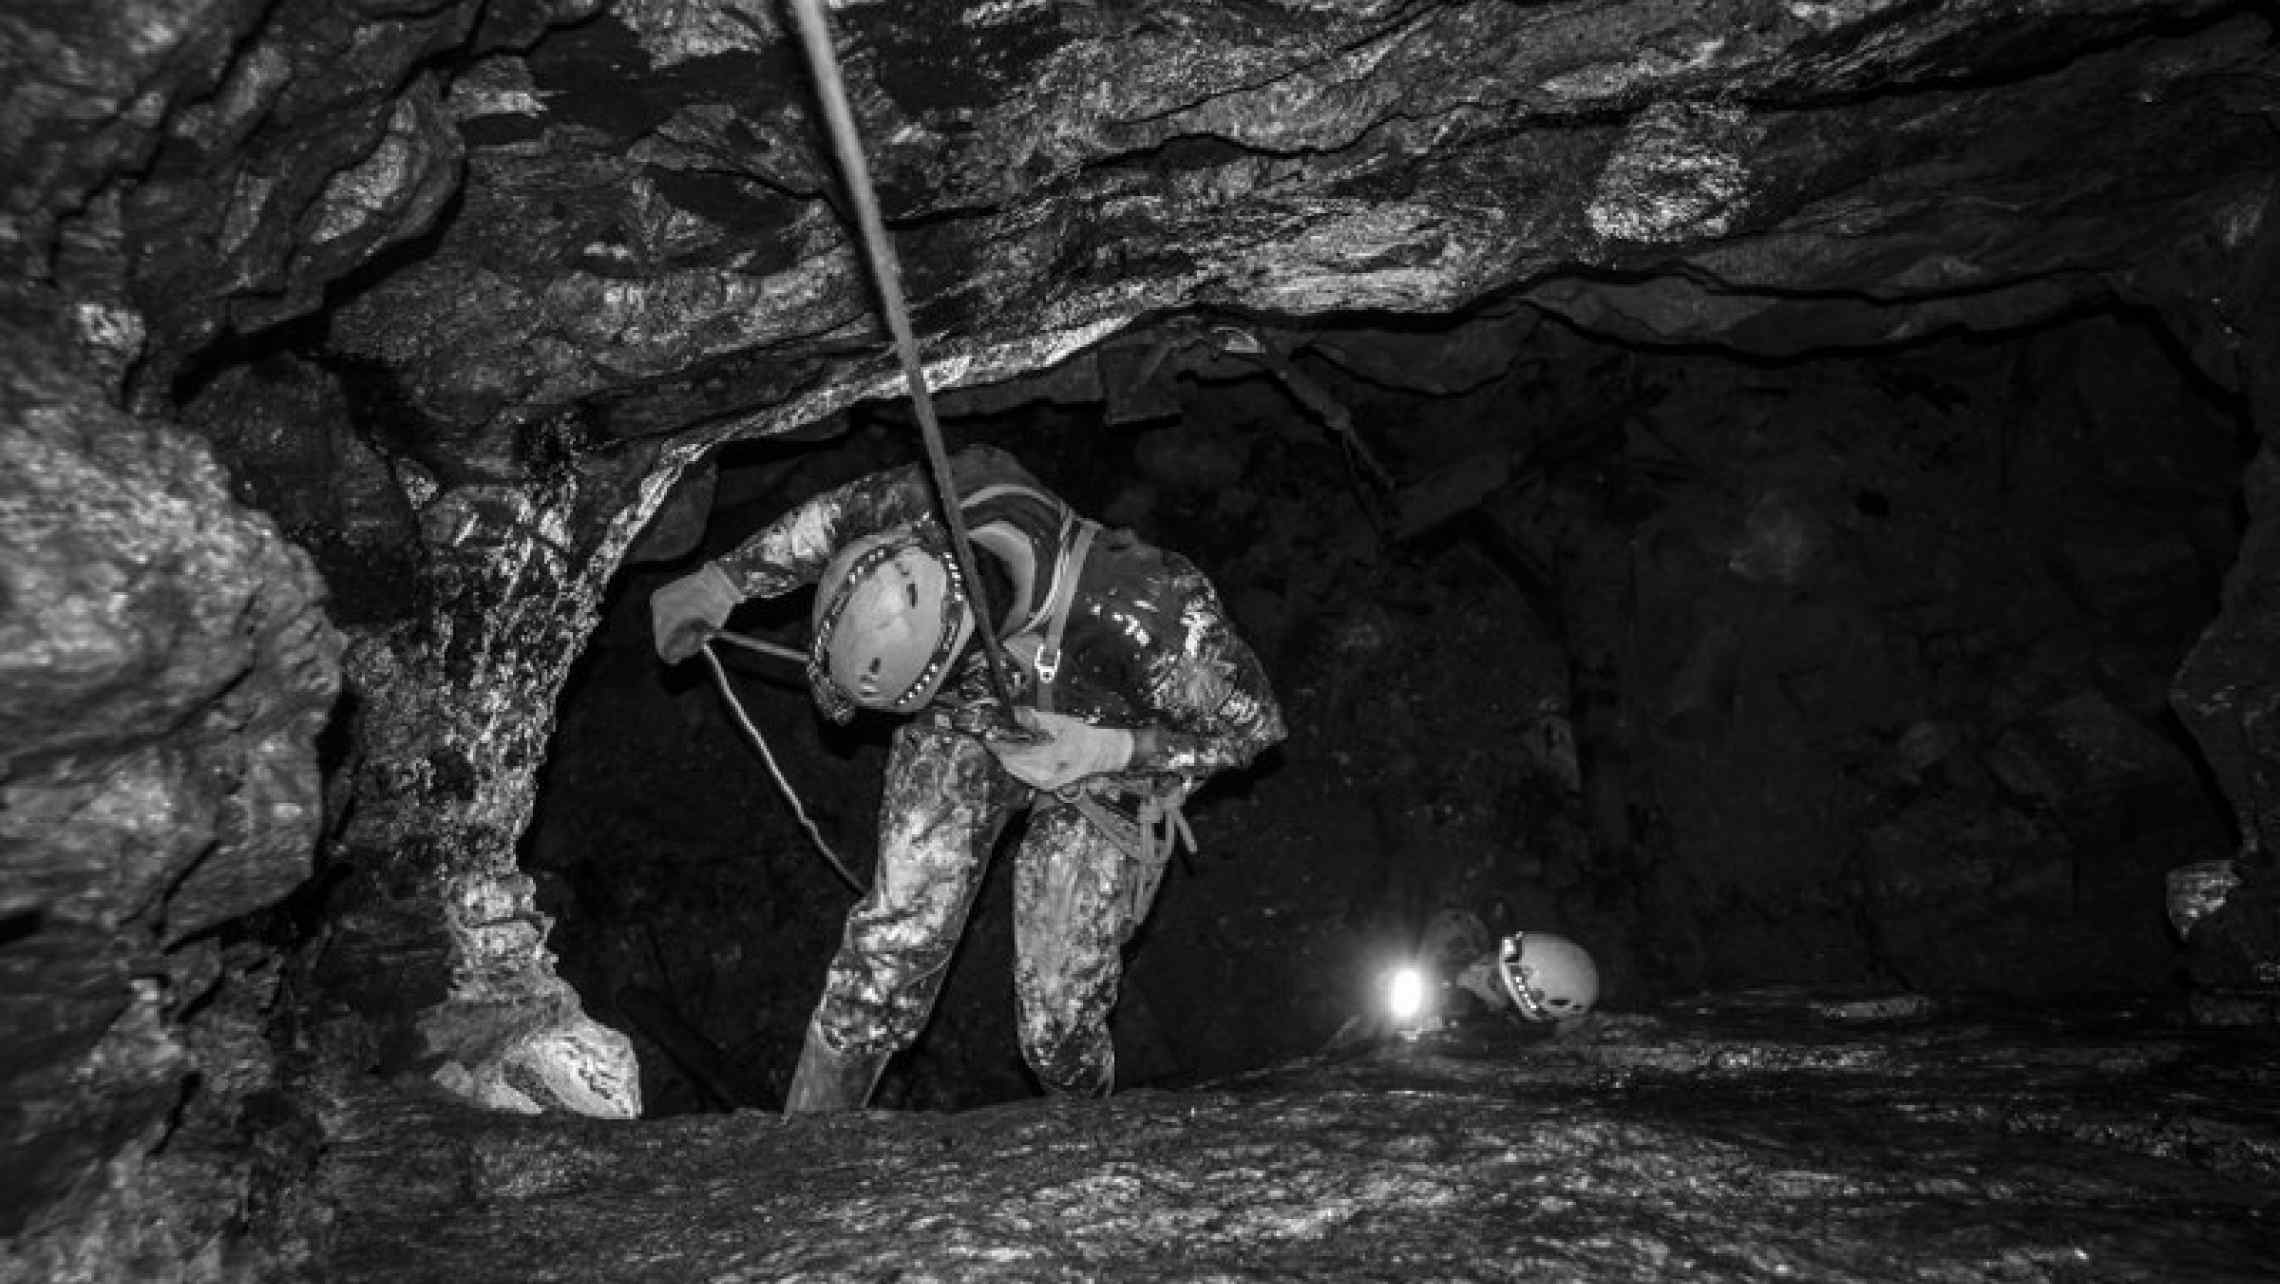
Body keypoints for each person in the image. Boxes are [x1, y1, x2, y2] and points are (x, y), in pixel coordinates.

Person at [649, 445, 1285, 1112]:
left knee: (1056, 1023)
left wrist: (1108, 747)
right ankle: (813, 1141)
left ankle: (1087, 1136)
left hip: (1112, 761)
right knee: (892, 948)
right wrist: (724, 581)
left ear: (956, 651)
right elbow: (832, 522)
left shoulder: (1149, 613)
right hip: (976, 725)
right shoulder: (942, 498)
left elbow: (1253, 727)